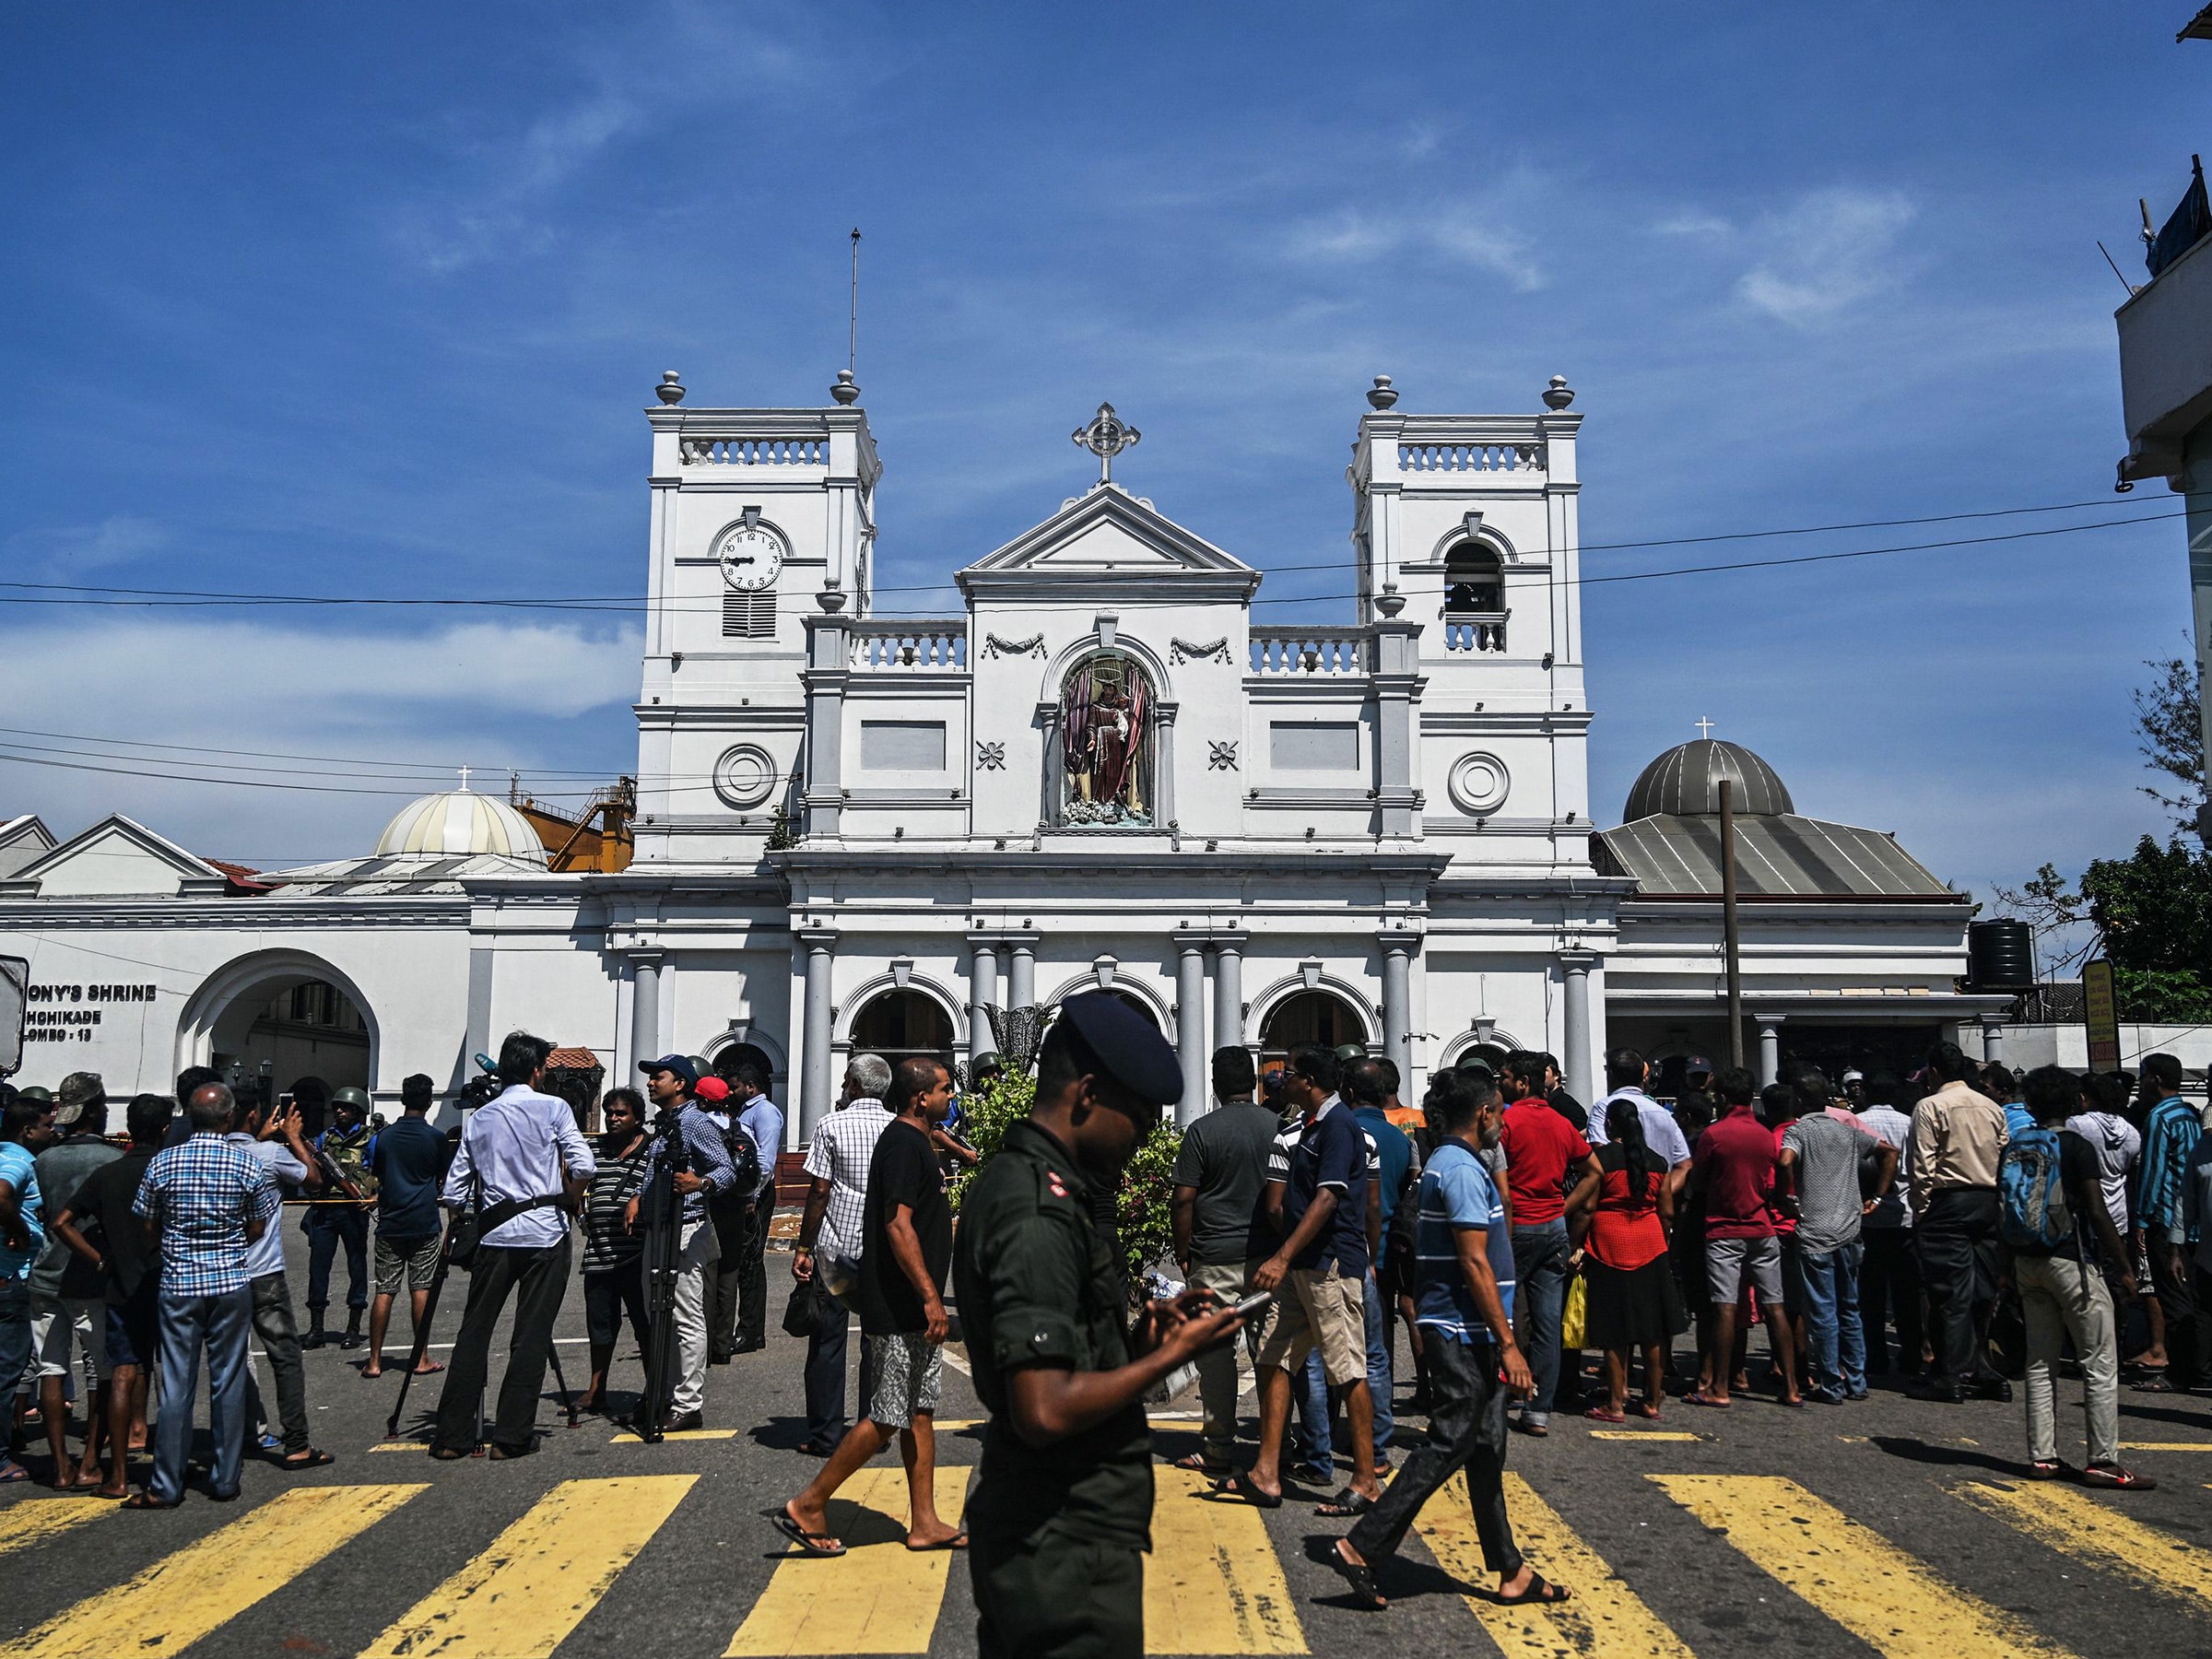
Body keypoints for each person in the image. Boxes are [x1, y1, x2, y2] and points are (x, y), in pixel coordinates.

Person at [955, 993, 1243, 1659]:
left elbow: (1072, 1355)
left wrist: (1147, 1341)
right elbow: (1046, 1409)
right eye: (1139, 1119)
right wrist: (1174, 1358)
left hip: (1061, 1533)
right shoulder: (1037, 1208)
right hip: (1061, 1541)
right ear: (1086, 1095)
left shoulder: (1041, 1183)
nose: (1144, 1139)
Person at [1326, 1071, 1567, 1613]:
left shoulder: (1456, 1163)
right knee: (1452, 1440)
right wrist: (1509, 1344)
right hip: (1463, 1330)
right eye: (1500, 1113)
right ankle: (1362, 1543)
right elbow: (1473, 1258)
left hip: (1468, 1328)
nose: (1503, 1124)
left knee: (1485, 1447)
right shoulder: (1459, 1168)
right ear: (1483, 1114)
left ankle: (1510, 1569)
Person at [770, 1057, 965, 1555]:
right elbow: (897, 1226)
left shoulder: (917, 1139)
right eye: (945, 1089)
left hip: (910, 1304)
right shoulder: (901, 1142)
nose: (951, 1097)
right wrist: (928, 1296)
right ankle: (810, 1503)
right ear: (922, 1098)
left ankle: (925, 1522)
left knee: (919, 1411)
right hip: (900, 1304)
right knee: (887, 1415)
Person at [1229, 1044, 1382, 1516]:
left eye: (1289, 1073)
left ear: (1310, 1081)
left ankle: (1366, 1479)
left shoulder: (1338, 1127)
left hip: (1328, 1266)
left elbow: (1328, 1199)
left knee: (1346, 1368)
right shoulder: (1311, 1126)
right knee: (1274, 1357)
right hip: (1302, 1268)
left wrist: (1282, 1255)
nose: (1281, 1080)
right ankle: (1266, 1472)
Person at [429, 1032, 595, 1460]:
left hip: (495, 1235)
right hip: (544, 1232)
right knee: (530, 1335)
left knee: (474, 1332)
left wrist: (467, 1218)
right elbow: (584, 1164)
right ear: (538, 1070)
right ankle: (511, 1435)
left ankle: (451, 1435)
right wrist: (571, 1197)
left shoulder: (481, 1117)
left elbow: (453, 1189)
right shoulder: (554, 1108)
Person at [128, 1082, 280, 1506]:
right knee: (227, 1379)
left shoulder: (164, 1163)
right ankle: (226, 1478)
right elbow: (257, 1226)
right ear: (229, 1118)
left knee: (175, 1385)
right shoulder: (244, 1163)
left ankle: (166, 1484)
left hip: (179, 1282)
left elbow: (147, 1224)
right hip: (230, 1281)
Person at [2006, 1065, 2154, 1488]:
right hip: (2072, 1263)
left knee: (2040, 1362)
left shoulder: (2016, 1144)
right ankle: (2103, 1461)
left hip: (2026, 1262)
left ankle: (2043, 1458)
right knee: (2099, 1362)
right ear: (2074, 1103)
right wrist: (2125, 1267)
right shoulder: (2076, 1147)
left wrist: (2005, 1271)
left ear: (2030, 1104)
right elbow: (2095, 1210)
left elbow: (2007, 1206)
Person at [52, 1093, 169, 1498]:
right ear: (165, 1129)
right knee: (171, 1370)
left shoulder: (108, 1174)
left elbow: (62, 1222)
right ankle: (167, 1467)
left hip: (120, 1283)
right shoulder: (167, 1169)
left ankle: (117, 1476)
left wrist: (100, 1259)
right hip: (166, 1281)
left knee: (121, 1372)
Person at [1169, 1044, 1277, 1477]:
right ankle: (1276, 1444)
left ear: (1215, 1084)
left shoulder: (1202, 1131)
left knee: (1216, 1358)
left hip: (1213, 1257)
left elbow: (1183, 1199)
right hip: (1268, 1259)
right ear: (1252, 1082)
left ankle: (1217, 1448)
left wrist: (1183, 1252)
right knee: (1271, 1354)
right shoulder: (1278, 1127)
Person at [793, 1053, 896, 1454]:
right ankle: (874, 1432)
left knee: (827, 1343)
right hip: (883, 1253)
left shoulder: (831, 1125)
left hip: (836, 1250)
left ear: (853, 1086)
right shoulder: (897, 1127)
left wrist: (804, 1247)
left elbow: (819, 1191)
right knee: (878, 1344)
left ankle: (825, 1435)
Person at [228, 1088, 332, 1470]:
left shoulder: (215, 1155)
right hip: (263, 1270)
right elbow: (313, 1178)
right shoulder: (269, 1155)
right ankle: (297, 1442)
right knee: (284, 1356)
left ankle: (234, 1435)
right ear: (253, 1116)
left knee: (229, 1357)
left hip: (222, 1273)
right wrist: (290, 1137)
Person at [631, 1054, 736, 1432]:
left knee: (686, 1317)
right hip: (658, 1228)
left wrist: (701, 1184)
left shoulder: (696, 1123)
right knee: (658, 1315)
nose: (650, 1083)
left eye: (657, 1077)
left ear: (680, 1084)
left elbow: (725, 1169)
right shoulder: (666, 1125)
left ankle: (688, 1402)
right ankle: (662, 1391)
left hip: (687, 1229)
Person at [1496, 1051, 1597, 1436]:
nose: (1500, 1083)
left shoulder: (1508, 1122)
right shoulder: (1561, 1123)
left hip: (1517, 1225)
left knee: (1502, 1312)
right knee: (1547, 1322)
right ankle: (1539, 1410)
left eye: (1504, 1077)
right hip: (1553, 1227)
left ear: (1522, 1083)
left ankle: (1507, 1392)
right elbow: (1593, 1172)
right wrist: (1562, 1207)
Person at [1688, 1066, 1800, 1408]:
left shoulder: (1714, 1135)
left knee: (1724, 1307)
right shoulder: (1765, 1134)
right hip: (1762, 1225)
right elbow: (1778, 1171)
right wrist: (1779, 1197)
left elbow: (1701, 1181)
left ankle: (1719, 1387)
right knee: (1775, 1306)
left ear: (1721, 1097)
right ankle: (1792, 1386)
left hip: (1724, 1227)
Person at [1777, 1069, 1889, 1404]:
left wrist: (1788, 1198)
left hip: (1814, 1230)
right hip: (1849, 1228)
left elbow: (1784, 1162)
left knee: (1823, 1310)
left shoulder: (1799, 1132)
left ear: (1797, 1099)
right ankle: (1856, 1379)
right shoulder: (1847, 1129)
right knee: (1849, 1307)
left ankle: (1830, 1383)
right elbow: (1889, 1152)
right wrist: (1878, 1197)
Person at [29, 1072, 119, 1488]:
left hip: (46, 1272)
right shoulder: (110, 1160)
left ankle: (60, 1465)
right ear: (95, 1110)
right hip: (90, 1275)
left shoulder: (43, 1159)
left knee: (50, 1368)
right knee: (99, 1371)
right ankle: (90, 1461)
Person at [1910, 1041, 2013, 1403]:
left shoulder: (1930, 1106)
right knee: (1983, 1292)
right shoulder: (1991, 1107)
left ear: (1934, 1072)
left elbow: (1923, 1165)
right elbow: (2004, 1155)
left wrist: (1921, 1209)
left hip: (1947, 1201)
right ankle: (1982, 1366)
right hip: (1987, 1200)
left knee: (1948, 1293)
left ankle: (1949, 1374)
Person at [1576, 1093, 1685, 1422]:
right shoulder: (1656, 1162)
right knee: (1652, 1330)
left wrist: (1576, 1242)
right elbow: (1666, 1211)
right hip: (1650, 1243)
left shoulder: (1602, 1159)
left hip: (1609, 1243)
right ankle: (1652, 1400)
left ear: (1609, 1125)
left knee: (1614, 1329)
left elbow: (1589, 1206)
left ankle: (1615, 1402)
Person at [361, 1074, 449, 1379]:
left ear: (402, 1099)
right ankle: (420, 1356)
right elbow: (442, 1178)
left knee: (385, 1291)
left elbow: (378, 1175)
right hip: (423, 1219)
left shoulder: (384, 1137)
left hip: (391, 1219)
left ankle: (374, 1361)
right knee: (420, 1288)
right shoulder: (435, 1138)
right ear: (429, 1102)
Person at [573, 1087, 653, 1415]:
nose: (613, 1119)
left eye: (621, 1113)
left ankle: (653, 1389)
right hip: (599, 1254)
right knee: (600, 1327)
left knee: (645, 1326)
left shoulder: (652, 1151)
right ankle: (596, 1389)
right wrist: (580, 1213)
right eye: (610, 1113)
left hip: (636, 1256)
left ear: (637, 1118)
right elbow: (575, 1178)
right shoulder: (595, 1148)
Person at [2134, 1053, 2206, 1394]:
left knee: (2173, 1296)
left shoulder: (2159, 1117)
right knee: (2193, 1295)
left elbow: (2153, 1171)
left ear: (2155, 1080)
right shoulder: (2191, 1114)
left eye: (2144, 1076)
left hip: (2165, 1216)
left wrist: (2142, 1220)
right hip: (2195, 1219)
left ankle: (2181, 1370)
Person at [1854, 1072, 1924, 1378]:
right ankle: (1911, 1353)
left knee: (1870, 1294)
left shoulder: (1857, 1122)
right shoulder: (1909, 1123)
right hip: (1904, 1214)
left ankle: (1875, 1356)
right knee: (1906, 1293)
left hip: (1867, 1216)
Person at [0, 1094, 53, 1488]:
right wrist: (19, 1230)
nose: (52, 1131)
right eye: (47, 1126)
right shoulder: (17, 1159)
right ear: (27, 1130)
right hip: (10, 1280)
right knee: (6, 1370)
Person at [302, 1081, 374, 1350]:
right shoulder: (325, 1138)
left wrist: (373, 1196)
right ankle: (316, 1327)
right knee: (318, 1267)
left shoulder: (370, 1138)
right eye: (338, 1108)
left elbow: (378, 1169)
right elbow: (311, 1166)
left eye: (347, 1108)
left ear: (358, 1111)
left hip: (354, 1210)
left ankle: (353, 1327)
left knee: (357, 1266)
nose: (341, 1112)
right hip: (326, 1208)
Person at [690, 1073, 755, 1366]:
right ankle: (722, 1345)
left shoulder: (700, 1128)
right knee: (729, 1274)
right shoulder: (738, 1128)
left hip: (709, 1205)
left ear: (702, 1100)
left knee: (705, 1275)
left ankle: (701, 1344)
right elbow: (758, 1166)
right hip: (735, 1208)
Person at [723, 1059, 783, 1355]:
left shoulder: (765, 1112)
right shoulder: (745, 1111)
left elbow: (766, 1158)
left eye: (735, 1087)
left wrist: (753, 1195)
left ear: (751, 1087)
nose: (731, 1092)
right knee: (744, 1260)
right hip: (745, 1194)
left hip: (755, 1195)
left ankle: (750, 1331)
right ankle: (748, 1330)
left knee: (750, 1261)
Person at [1590, 1049, 1694, 1196]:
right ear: (1644, 1077)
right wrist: (1660, 1195)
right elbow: (1685, 1165)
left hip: (1617, 1203)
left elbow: (1601, 1154)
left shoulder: (1603, 1108)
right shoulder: (1664, 1114)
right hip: (1656, 1209)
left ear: (1611, 1075)